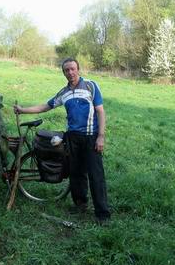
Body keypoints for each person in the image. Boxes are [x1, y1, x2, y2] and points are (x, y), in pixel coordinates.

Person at [13, 58, 110, 224]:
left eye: (72, 69)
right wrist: (23, 110)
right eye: (66, 70)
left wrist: (101, 136)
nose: (70, 72)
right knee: (76, 173)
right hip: (72, 137)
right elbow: (45, 106)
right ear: (63, 73)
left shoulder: (90, 86)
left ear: (78, 69)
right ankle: (80, 204)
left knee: (96, 175)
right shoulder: (64, 93)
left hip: (91, 137)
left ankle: (102, 214)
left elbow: (100, 112)